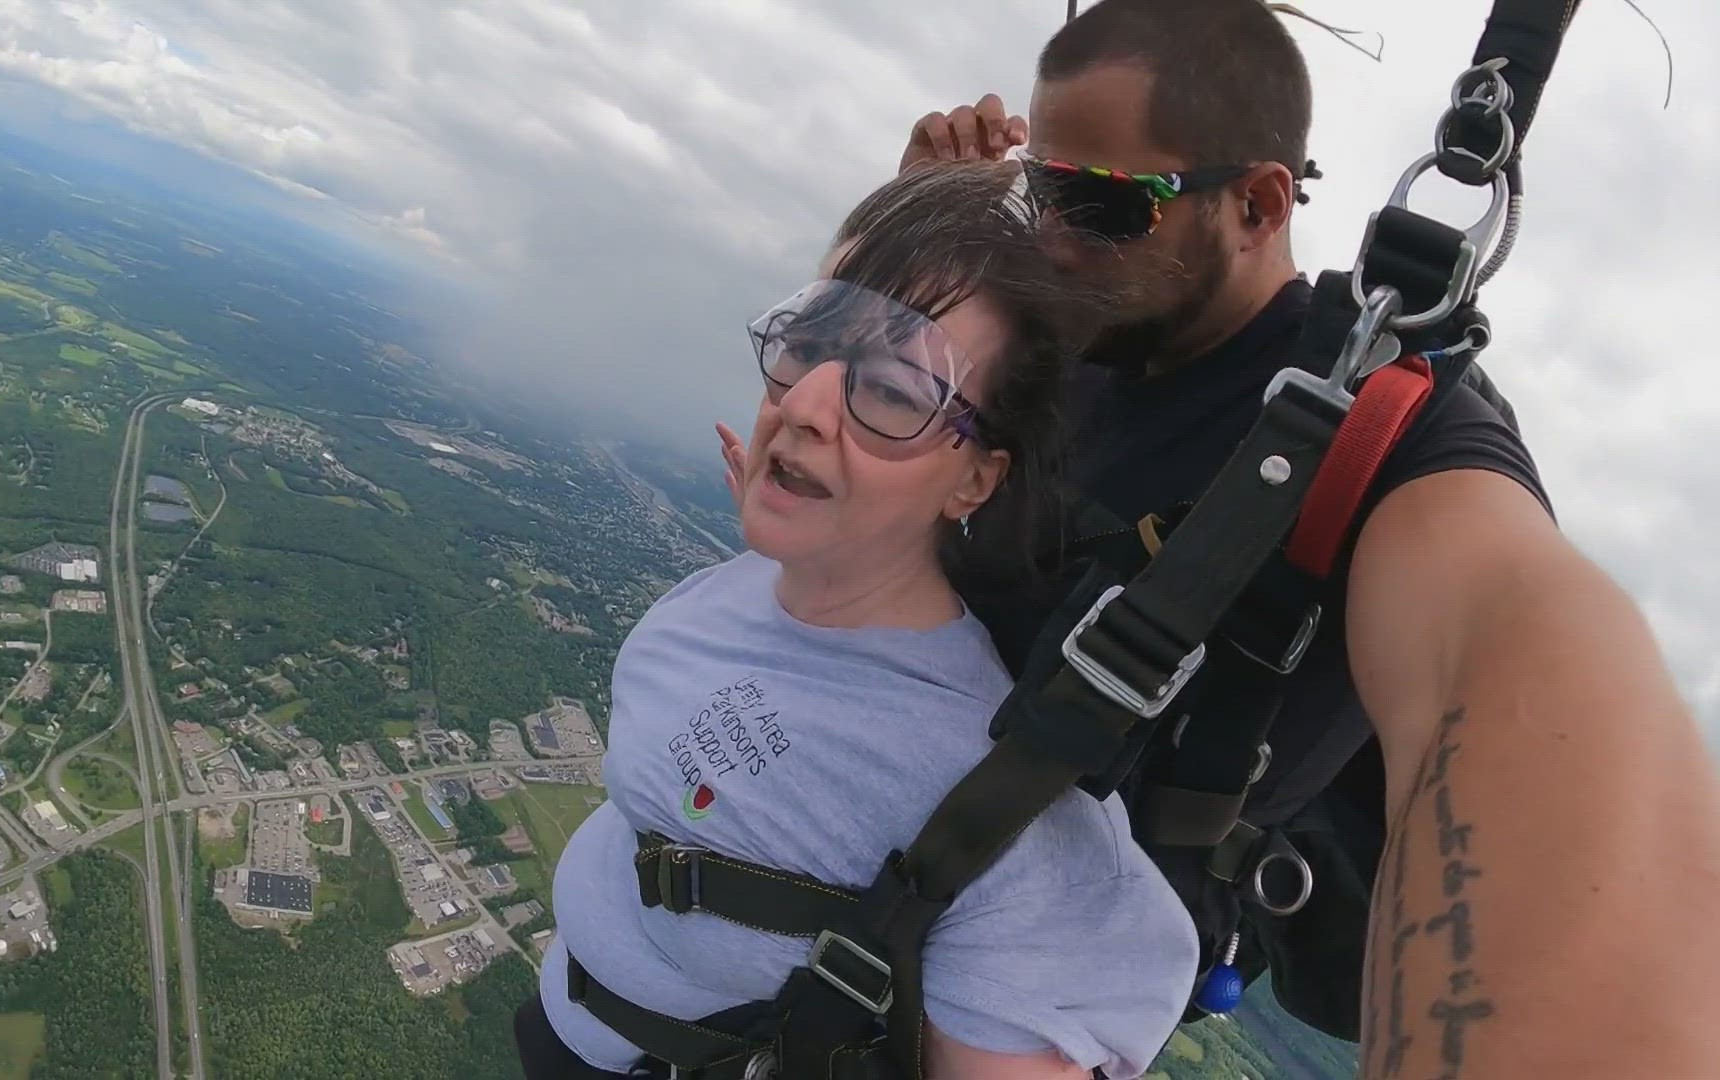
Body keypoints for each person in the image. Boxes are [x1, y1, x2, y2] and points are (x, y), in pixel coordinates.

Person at [718, 1, 1720, 1076]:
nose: (1050, 242)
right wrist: (895, 245)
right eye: (1039, 191)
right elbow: (839, 454)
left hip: (1006, 993)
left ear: (1257, 202)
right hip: (827, 869)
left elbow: (1515, 650)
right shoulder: (1055, 338)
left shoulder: (1384, 426)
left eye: (1102, 208)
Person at [517, 161, 1201, 1080]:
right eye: (809, 343)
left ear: (976, 478)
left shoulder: (984, 806)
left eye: (889, 389)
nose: (797, 406)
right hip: (555, 1028)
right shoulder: (741, 589)